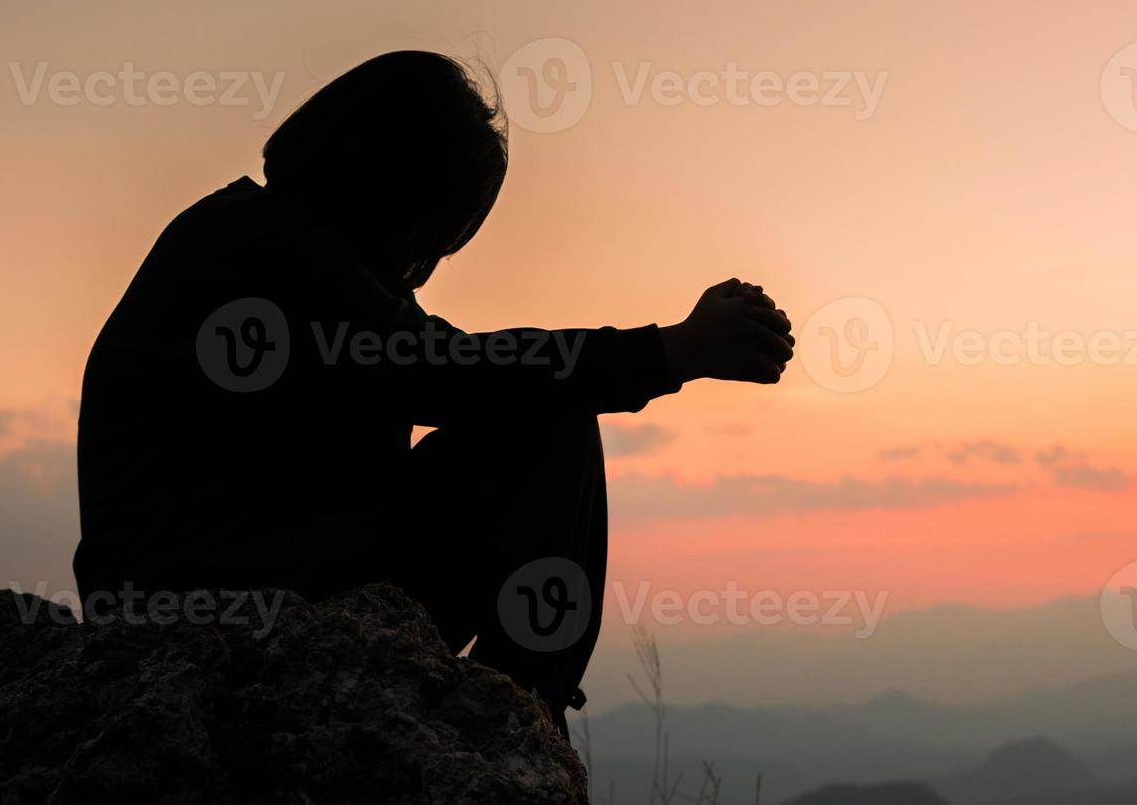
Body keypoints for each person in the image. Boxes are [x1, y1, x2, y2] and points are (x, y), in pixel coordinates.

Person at [73, 51, 793, 734]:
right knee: (551, 419)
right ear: (390, 195)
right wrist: (671, 350)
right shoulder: (265, 249)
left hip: (265, 583)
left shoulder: (279, 245)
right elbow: (448, 372)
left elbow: (460, 365)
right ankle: (521, 721)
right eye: (426, 241)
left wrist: (665, 354)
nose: (421, 271)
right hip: (209, 612)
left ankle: (516, 726)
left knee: (543, 406)